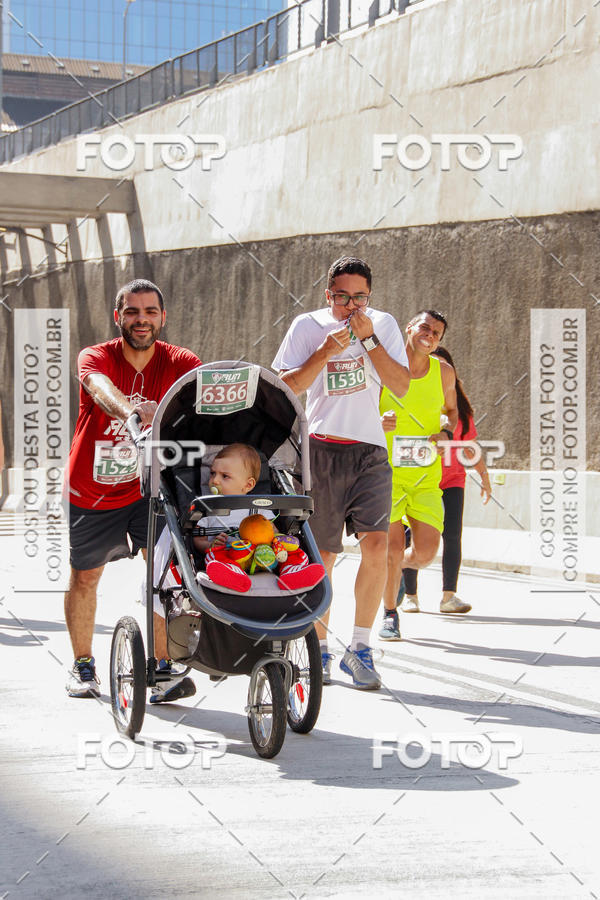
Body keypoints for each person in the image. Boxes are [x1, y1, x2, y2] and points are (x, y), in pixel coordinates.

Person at [272, 256, 409, 689]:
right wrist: (326, 351)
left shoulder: (383, 324)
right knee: (324, 556)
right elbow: (285, 387)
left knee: (376, 547)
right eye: (343, 297)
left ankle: (362, 647)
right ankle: (321, 651)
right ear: (327, 293)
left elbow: (401, 385)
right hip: (320, 451)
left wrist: (369, 342)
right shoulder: (306, 326)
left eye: (360, 298)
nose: (351, 306)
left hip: (369, 452)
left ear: (370, 296)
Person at [64, 278, 201, 700]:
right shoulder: (96, 356)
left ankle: (161, 667)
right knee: (86, 577)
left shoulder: (180, 360)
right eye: (132, 312)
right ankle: (83, 666)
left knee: (164, 577)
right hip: (93, 489)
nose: (141, 320)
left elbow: (200, 403)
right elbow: (99, 389)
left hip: (150, 490)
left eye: (149, 312)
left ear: (163, 317)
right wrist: (133, 414)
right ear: (117, 317)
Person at [378, 309, 458, 641]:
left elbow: (451, 412)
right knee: (391, 549)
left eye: (437, 332)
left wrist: (447, 433)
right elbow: (358, 405)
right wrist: (378, 419)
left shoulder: (444, 372)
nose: (430, 334)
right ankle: (389, 614)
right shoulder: (385, 363)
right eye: (425, 327)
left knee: (425, 553)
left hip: (425, 474)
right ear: (409, 328)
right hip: (385, 472)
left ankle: (397, 570)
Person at [402, 346, 492, 613]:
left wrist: (485, 477)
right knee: (411, 537)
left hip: (452, 480)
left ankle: (448, 596)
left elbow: (470, 446)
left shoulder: (460, 411)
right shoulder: (415, 401)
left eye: (442, 368)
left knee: (452, 536)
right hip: (419, 480)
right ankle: (410, 595)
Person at [194, 443, 325, 592]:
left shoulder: (260, 507)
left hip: (264, 554)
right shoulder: (209, 508)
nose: (215, 480)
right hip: (232, 554)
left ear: (248, 485)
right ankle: (232, 575)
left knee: (293, 551)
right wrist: (210, 545)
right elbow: (198, 538)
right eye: (212, 473)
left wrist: (278, 541)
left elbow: (273, 531)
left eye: (225, 476)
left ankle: (292, 572)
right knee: (215, 555)